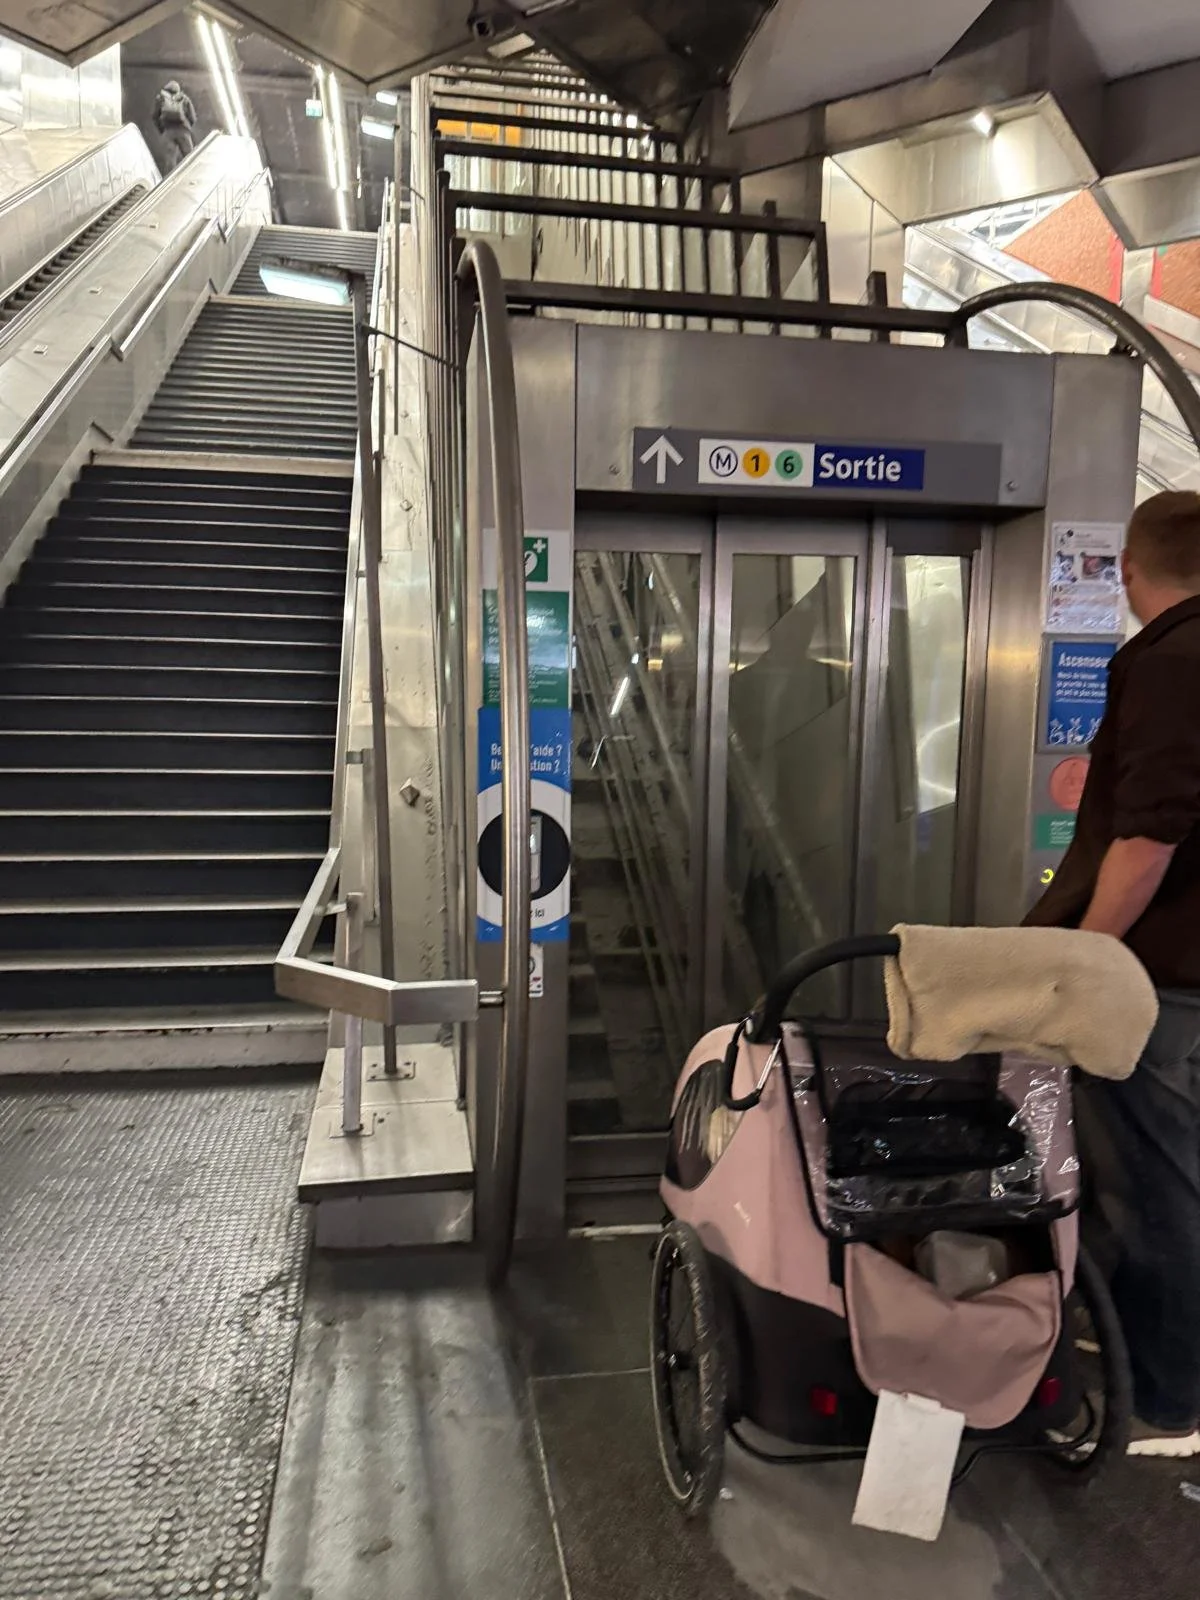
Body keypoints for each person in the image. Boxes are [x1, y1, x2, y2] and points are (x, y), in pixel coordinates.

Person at [1026, 489, 1200, 1458]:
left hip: (1159, 982)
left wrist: (1084, 952)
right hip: (1175, 977)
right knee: (1150, 1172)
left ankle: (1170, 1400)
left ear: (1131, 570)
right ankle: (1141, 1348)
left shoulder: (1173, 660)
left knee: (1160, 1180)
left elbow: (1148, 833)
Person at [153, 81, 197, 172]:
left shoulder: (161, 98)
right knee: (190, 158)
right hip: (183, 131)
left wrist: (162, 129)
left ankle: (171, 182)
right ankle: (191, 179)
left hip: (168, 131)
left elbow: (155, 116)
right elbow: (192, 117)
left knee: (170, 161)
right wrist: (187, 127)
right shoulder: (184, 98)